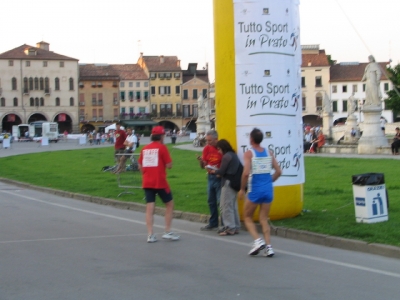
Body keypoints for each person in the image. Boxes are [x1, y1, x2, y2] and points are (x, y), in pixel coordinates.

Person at [238, 128, 282, 256]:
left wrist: (241, 189)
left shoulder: (249, 153)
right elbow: (279, 171)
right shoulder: (269, 153)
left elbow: (246, 173)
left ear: (251, 139)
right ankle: (269, 247)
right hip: (268, 189)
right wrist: (269, 181)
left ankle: (258, 241)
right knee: (263, 219)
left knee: (247, 217)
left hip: (255, 190)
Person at [138, 126, 180, 243]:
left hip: (147, 181)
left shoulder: (144, 149)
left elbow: (140, 166)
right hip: (160, 182)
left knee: (150, 208)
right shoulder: (162, 148)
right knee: (169, 204)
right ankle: (167, 231)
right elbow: (169, 165)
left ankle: (150, 234)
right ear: (161, 136)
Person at [208, 139, 241, 236]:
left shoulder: (226, 157)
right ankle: (236, 226)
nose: (218, 151)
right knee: (233, 206)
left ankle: (229, 228)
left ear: (223, 148)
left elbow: (221, 172)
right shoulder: (233, 155)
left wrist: (213, 171)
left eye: (219, 149)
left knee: (225, 206)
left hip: (227, 183)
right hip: (235, 183)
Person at [197, 129, 223, 230]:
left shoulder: (220, 148)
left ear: (216, 139)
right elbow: (203, 166)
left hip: (219, 176)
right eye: (207, 140)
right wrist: (201, 162)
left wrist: (219, 172)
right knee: (211, 200)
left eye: (210, 141)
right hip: (210, 176)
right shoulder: (206, 149)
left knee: (220, 201)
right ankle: (213, 222)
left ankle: (225, 224)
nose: (208, 143)